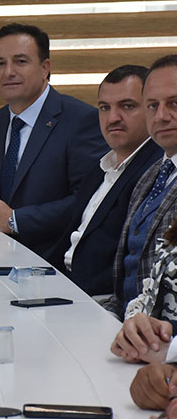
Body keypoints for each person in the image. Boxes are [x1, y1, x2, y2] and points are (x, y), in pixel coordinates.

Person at [0, 23, 107, 259]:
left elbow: (88, 201)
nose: (8, 72)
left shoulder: (81, 120)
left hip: (53, 263)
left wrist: (14, 220)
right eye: (0, 63)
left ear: (44, 68)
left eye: (20, 61)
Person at [47, 65, 161, 297]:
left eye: (127, 106)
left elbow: (129, 266)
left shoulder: (156, 171)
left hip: (97, 300)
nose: (113, 118)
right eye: (104, 108)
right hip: (63, 286)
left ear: (151, 109)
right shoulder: (100, 167)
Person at [105, 55, 177, 318]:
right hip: (127, 325)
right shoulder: (150, 176)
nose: (161, 116)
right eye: (152, 105)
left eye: (174, 103)